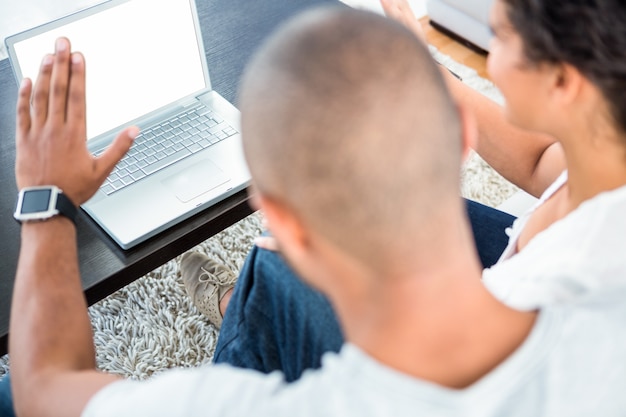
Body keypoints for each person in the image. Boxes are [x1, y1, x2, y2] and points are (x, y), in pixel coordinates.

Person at [5, 6, 626, 416]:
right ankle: (242, 310)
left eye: (504, 34)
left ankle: (244, 318)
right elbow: (553, 163)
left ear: (282, 220)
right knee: (270, 284)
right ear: (462, 136)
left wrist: (45, 197)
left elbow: (46, 388)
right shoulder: (602, 227)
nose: (492, 42)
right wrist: (423, 67)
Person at [178, 0, 626, 383]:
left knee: (276, 273)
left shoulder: (576, 292)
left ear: (565, 82)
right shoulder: (606, 151)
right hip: (524, 267)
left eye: (502, 36)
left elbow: (465, 383)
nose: (493, 55)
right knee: (386, 198)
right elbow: (541, 158)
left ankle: (252, 315)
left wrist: (344, 286)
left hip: (483, 356)